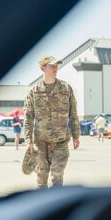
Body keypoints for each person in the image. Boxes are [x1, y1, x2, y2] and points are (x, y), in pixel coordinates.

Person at [23, 55, 80, 189]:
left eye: (56, 66)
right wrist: (28, 141)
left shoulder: (66, 88)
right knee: (41, 181)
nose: (55, 69)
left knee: (57, 178)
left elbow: (73, 114)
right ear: (42, 68)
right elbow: (28, 117)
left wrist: (76, 136)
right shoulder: (34, 91)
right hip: (40, 143)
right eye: (51, 66)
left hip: (61, 142)